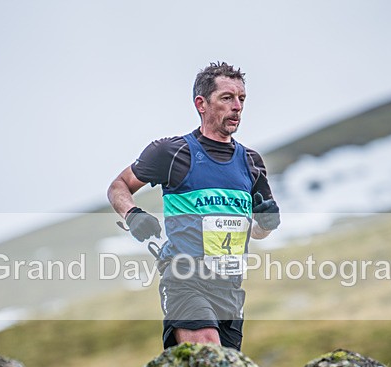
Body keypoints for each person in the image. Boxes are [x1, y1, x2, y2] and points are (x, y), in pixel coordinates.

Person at [107, 61, 280, 351]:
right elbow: (118, 187)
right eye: (227, 98)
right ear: (201, 103)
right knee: (208, 354)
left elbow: (257, 233)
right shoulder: (172, 153)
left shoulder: (251, 163)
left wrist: (265, 223)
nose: (237, 106)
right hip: (185, 282)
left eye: (242, 99)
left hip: (230, 291)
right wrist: (133, 215)